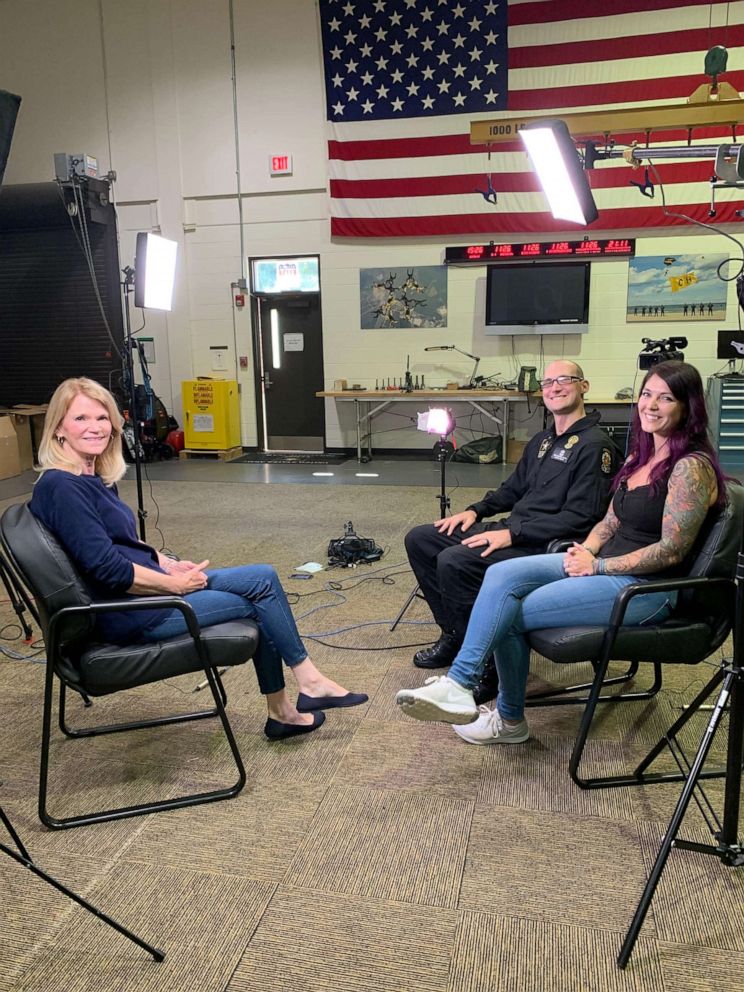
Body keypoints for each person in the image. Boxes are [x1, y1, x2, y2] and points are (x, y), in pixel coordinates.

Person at [396, 361, 729, 745]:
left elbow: (671, 552)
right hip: (604, 566)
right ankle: (463, 682)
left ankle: (502, 715)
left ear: (687, 408)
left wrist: (598, 564)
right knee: (500, 578)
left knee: (511, 610)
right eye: (647, 394)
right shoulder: (642, 457)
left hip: (644, 587)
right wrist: (585, 551)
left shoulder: (689, 468)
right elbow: (610, 521)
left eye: (666, 398)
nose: (651, 405)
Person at [30, 377, 367, 742]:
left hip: (143, 592)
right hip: (129, 612)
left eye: (101, 418)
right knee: (255, 605)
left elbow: (122, 542)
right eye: (80, 419)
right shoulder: (62, 486)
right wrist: (173, 584)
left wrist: (168, 562)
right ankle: (290, 704)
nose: (95, 427)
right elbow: (107, 568)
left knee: (263, 577)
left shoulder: (90, 477)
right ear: (58, 428)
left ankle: (303, 689)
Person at [405, 359, 619, 673]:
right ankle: (454, 634)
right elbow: (513, 489)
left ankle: (487, 664)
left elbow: (581, 518)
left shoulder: (595, 446)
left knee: (455, 561)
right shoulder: (542, 441)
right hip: (515, 529)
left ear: (583, 387)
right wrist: (475, 511)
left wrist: (511, 534)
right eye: (547, 383)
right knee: (422, 539)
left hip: (547, 544)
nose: (554, 387)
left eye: (564, 379)